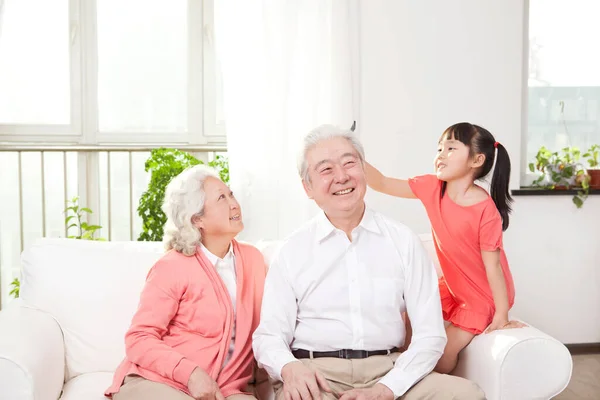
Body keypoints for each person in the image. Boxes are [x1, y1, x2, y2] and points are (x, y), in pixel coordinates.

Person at [252, 124, 485, 400]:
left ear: (363, 170)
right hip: (316, 374)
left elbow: (430, 337)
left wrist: (386, 389)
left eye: (350, 163)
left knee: (465, 394)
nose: (341, 176)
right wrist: (290, 368)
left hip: (390, 370)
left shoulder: (403, 241)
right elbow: (268, 336)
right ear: (308, 187)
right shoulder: (292, 250)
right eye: (326, 169)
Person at [365, 122, 525, 375]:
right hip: (453, 286)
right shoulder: (432, 188)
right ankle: (405, 367)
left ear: (476, 160)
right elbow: (383, 183)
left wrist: (501, 315)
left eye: (450, 148)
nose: (440, 154)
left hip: (483, 298)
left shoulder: (486, 210)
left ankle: (433, 383)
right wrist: (353, 158)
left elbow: (493, 266)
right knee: (410, 307)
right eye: (439, 148)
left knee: (445, 349)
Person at [105, 165, 267, 400]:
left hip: (225, 390)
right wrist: (192, 374)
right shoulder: (174, 265)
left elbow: (270, 326)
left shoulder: (253, 260)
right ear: (197, 218)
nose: (234, 204)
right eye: (222, 198)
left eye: (231, 194)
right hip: (160, 382)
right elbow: (139, 338)